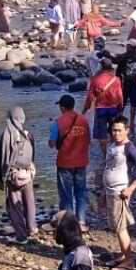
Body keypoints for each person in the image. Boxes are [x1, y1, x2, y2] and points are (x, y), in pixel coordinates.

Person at [103, 116, 136, 269]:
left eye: (119, 130)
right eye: (113, 130)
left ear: (127, 131)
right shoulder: (112, 145)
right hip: (109, 191)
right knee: (117, 226)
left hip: (120, 192)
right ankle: (124, 254)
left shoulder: (129, 148)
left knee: (121, 227)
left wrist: (130, 189)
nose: (116, 133)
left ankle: (129, 260)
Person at [49, 95, 91, 232]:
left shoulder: (58, 122)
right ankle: (82, 221)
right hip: (81, 162)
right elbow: (88, 140)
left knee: (66, 195)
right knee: (81, 193)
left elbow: (52, 143)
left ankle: (69, 223)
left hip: (65, 163)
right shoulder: (84, 120)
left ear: (62, 107)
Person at [0, 107, 38, 239]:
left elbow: (3, 158)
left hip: (13, 175)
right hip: (28, 173)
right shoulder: (28, 134)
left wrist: (1, 178)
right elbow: (33, 155)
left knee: (15, 206)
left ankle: (21, 236)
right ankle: (32, 228)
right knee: (30, 202)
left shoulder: (7, 134)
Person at [83, 58, 124, 152]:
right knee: (115, 131)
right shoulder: (116, 79)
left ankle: (105, 156)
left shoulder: (95, 80)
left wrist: (84, 111)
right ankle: (114, 152)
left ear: (100, 67)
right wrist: (121, 108)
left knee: (102, 134)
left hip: (100, 109)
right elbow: (120, 96)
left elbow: (90, 98)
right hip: (114, 109)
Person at [111, 41, 136, 134]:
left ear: (130, 47)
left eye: (128, 45)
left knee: (121, 101)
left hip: (124, 82)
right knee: (134, 104)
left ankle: (119, 119)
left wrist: (107, 54)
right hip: (135, 82)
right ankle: (132, 122)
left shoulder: (125, 56)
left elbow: (115, 60)